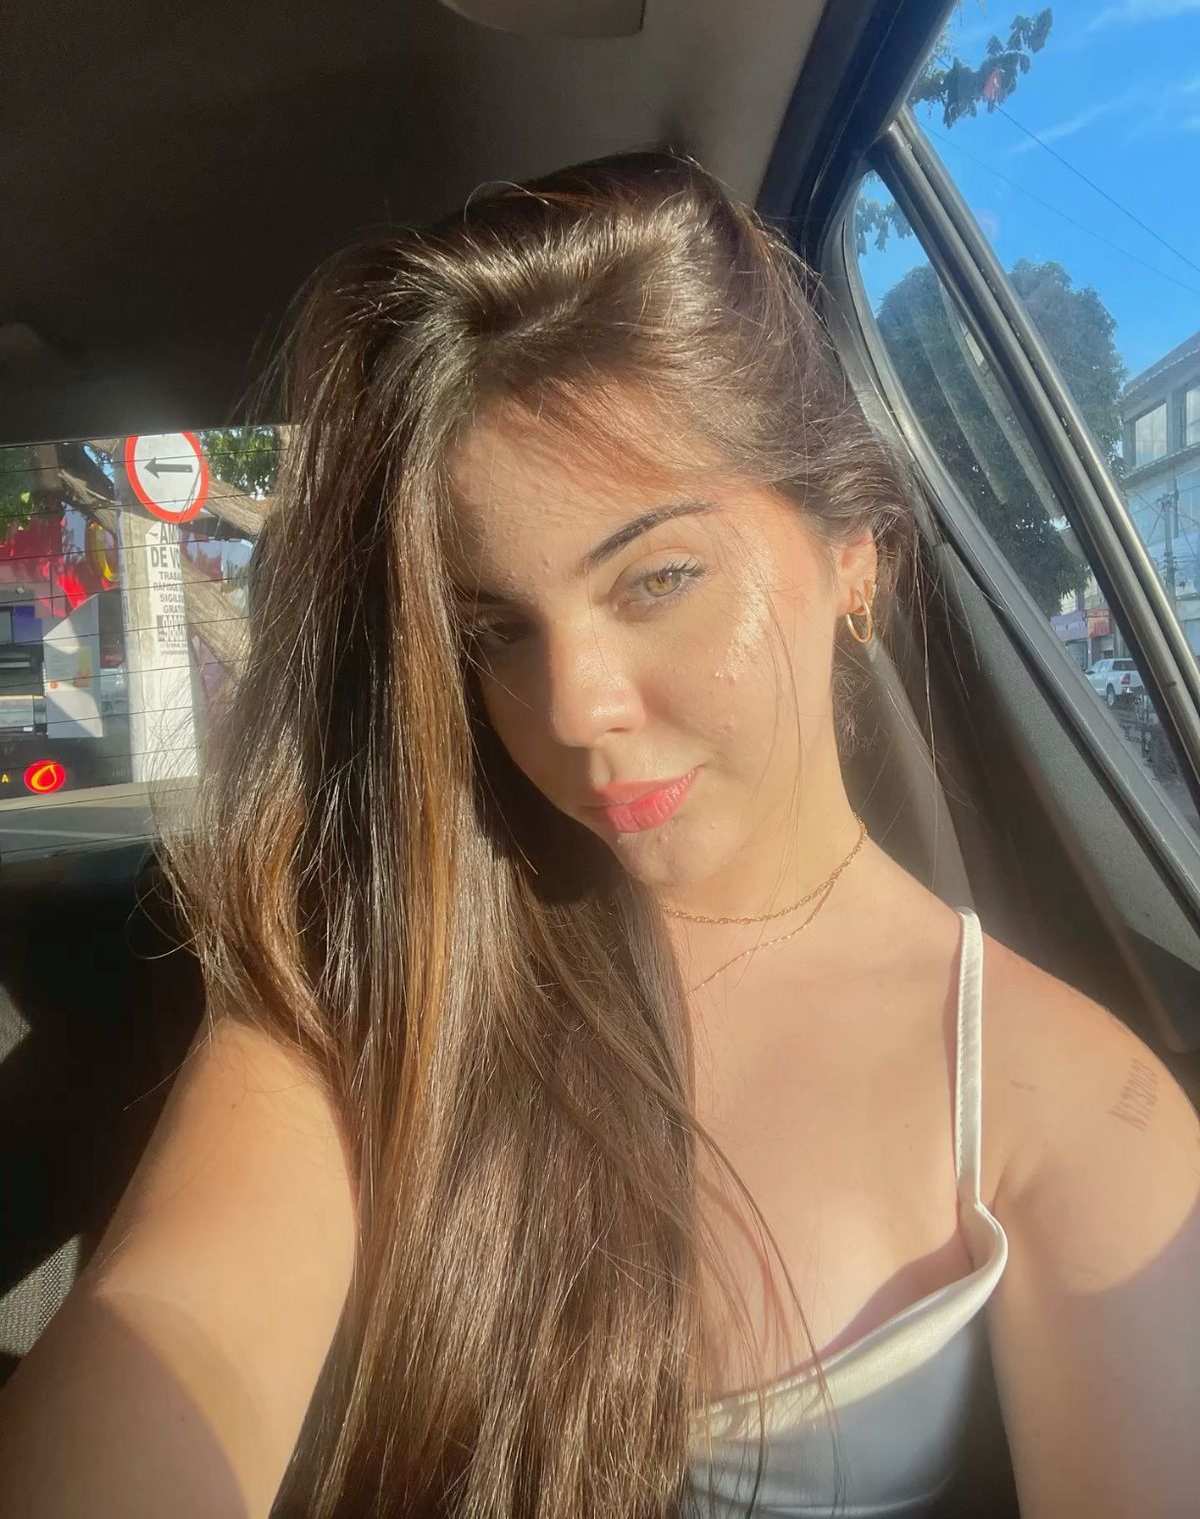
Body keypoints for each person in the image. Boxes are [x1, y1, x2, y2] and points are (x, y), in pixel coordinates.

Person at [1, 150, 1197, 1519]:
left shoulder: (1059, 1107)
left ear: (852, 552)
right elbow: (183, 1319)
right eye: (497, 629)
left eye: (658, 578)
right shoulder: (395, 949)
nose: (571, 708)